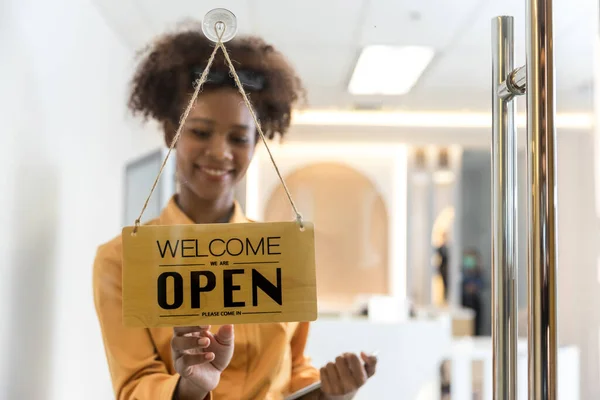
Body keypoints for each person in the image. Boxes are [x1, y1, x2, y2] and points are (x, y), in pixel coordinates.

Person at [92, 24, 377, 400]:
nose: (220, 152)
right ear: (170, 133)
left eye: (239, 138)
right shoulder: (121, 261)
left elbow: (291, 371)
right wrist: (190, 387)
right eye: (200, 132)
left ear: (256, 142)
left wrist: (329, 392)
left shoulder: (283, 252)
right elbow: (133, 386)